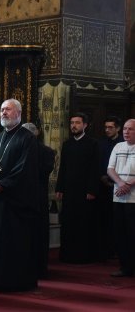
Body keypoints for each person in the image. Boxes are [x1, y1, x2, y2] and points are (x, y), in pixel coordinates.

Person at [0, 99, 39, 291]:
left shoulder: (27, 138)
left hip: (13, 202)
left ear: (18, 114)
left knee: (10, 243)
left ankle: (10, 281)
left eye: (8, 110)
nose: (3, 113)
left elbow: (25, 169)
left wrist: (3, 184)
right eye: (2, 110)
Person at [55, 112, 100, 264]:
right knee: (68, 222)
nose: (74, 125)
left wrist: (92, 190)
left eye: (77, 123)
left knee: (83, 223)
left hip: (85, 191)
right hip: (69, 190)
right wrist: (59, 187)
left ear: (85, 125)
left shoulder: (93, 144)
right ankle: (67, 255)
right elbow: (63, 168)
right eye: (72, 123)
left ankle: (83, 256)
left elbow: (95, 169)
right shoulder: (67, 144)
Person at [22, 122, 55, 278]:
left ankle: (36, 267)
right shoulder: (46, 151)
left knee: (37, 234)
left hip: (36, 197)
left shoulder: (46, 152)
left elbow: (42, 173)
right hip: (28, 198)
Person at [107, 119, 135, 277]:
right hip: (118, 198)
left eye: (130, 129)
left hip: (133, 199)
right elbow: (110, 169)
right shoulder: (118, 146)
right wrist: (120, 183)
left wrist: (128, 185)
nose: (126, 132)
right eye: (125, 129)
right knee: (120, 233)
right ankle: (125, 267)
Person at [97, 116, 124, 261]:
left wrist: (115, 181)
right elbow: (99, 162)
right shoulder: (101, 143)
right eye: (106, 127)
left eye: (110, 127)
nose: (107, 130)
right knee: (104, 219)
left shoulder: (123, 144)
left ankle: (117, 250)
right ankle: (104, 249)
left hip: (120, 187)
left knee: (117, 220)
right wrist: (102, 176)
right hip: (103, 186)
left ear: (118, 128)